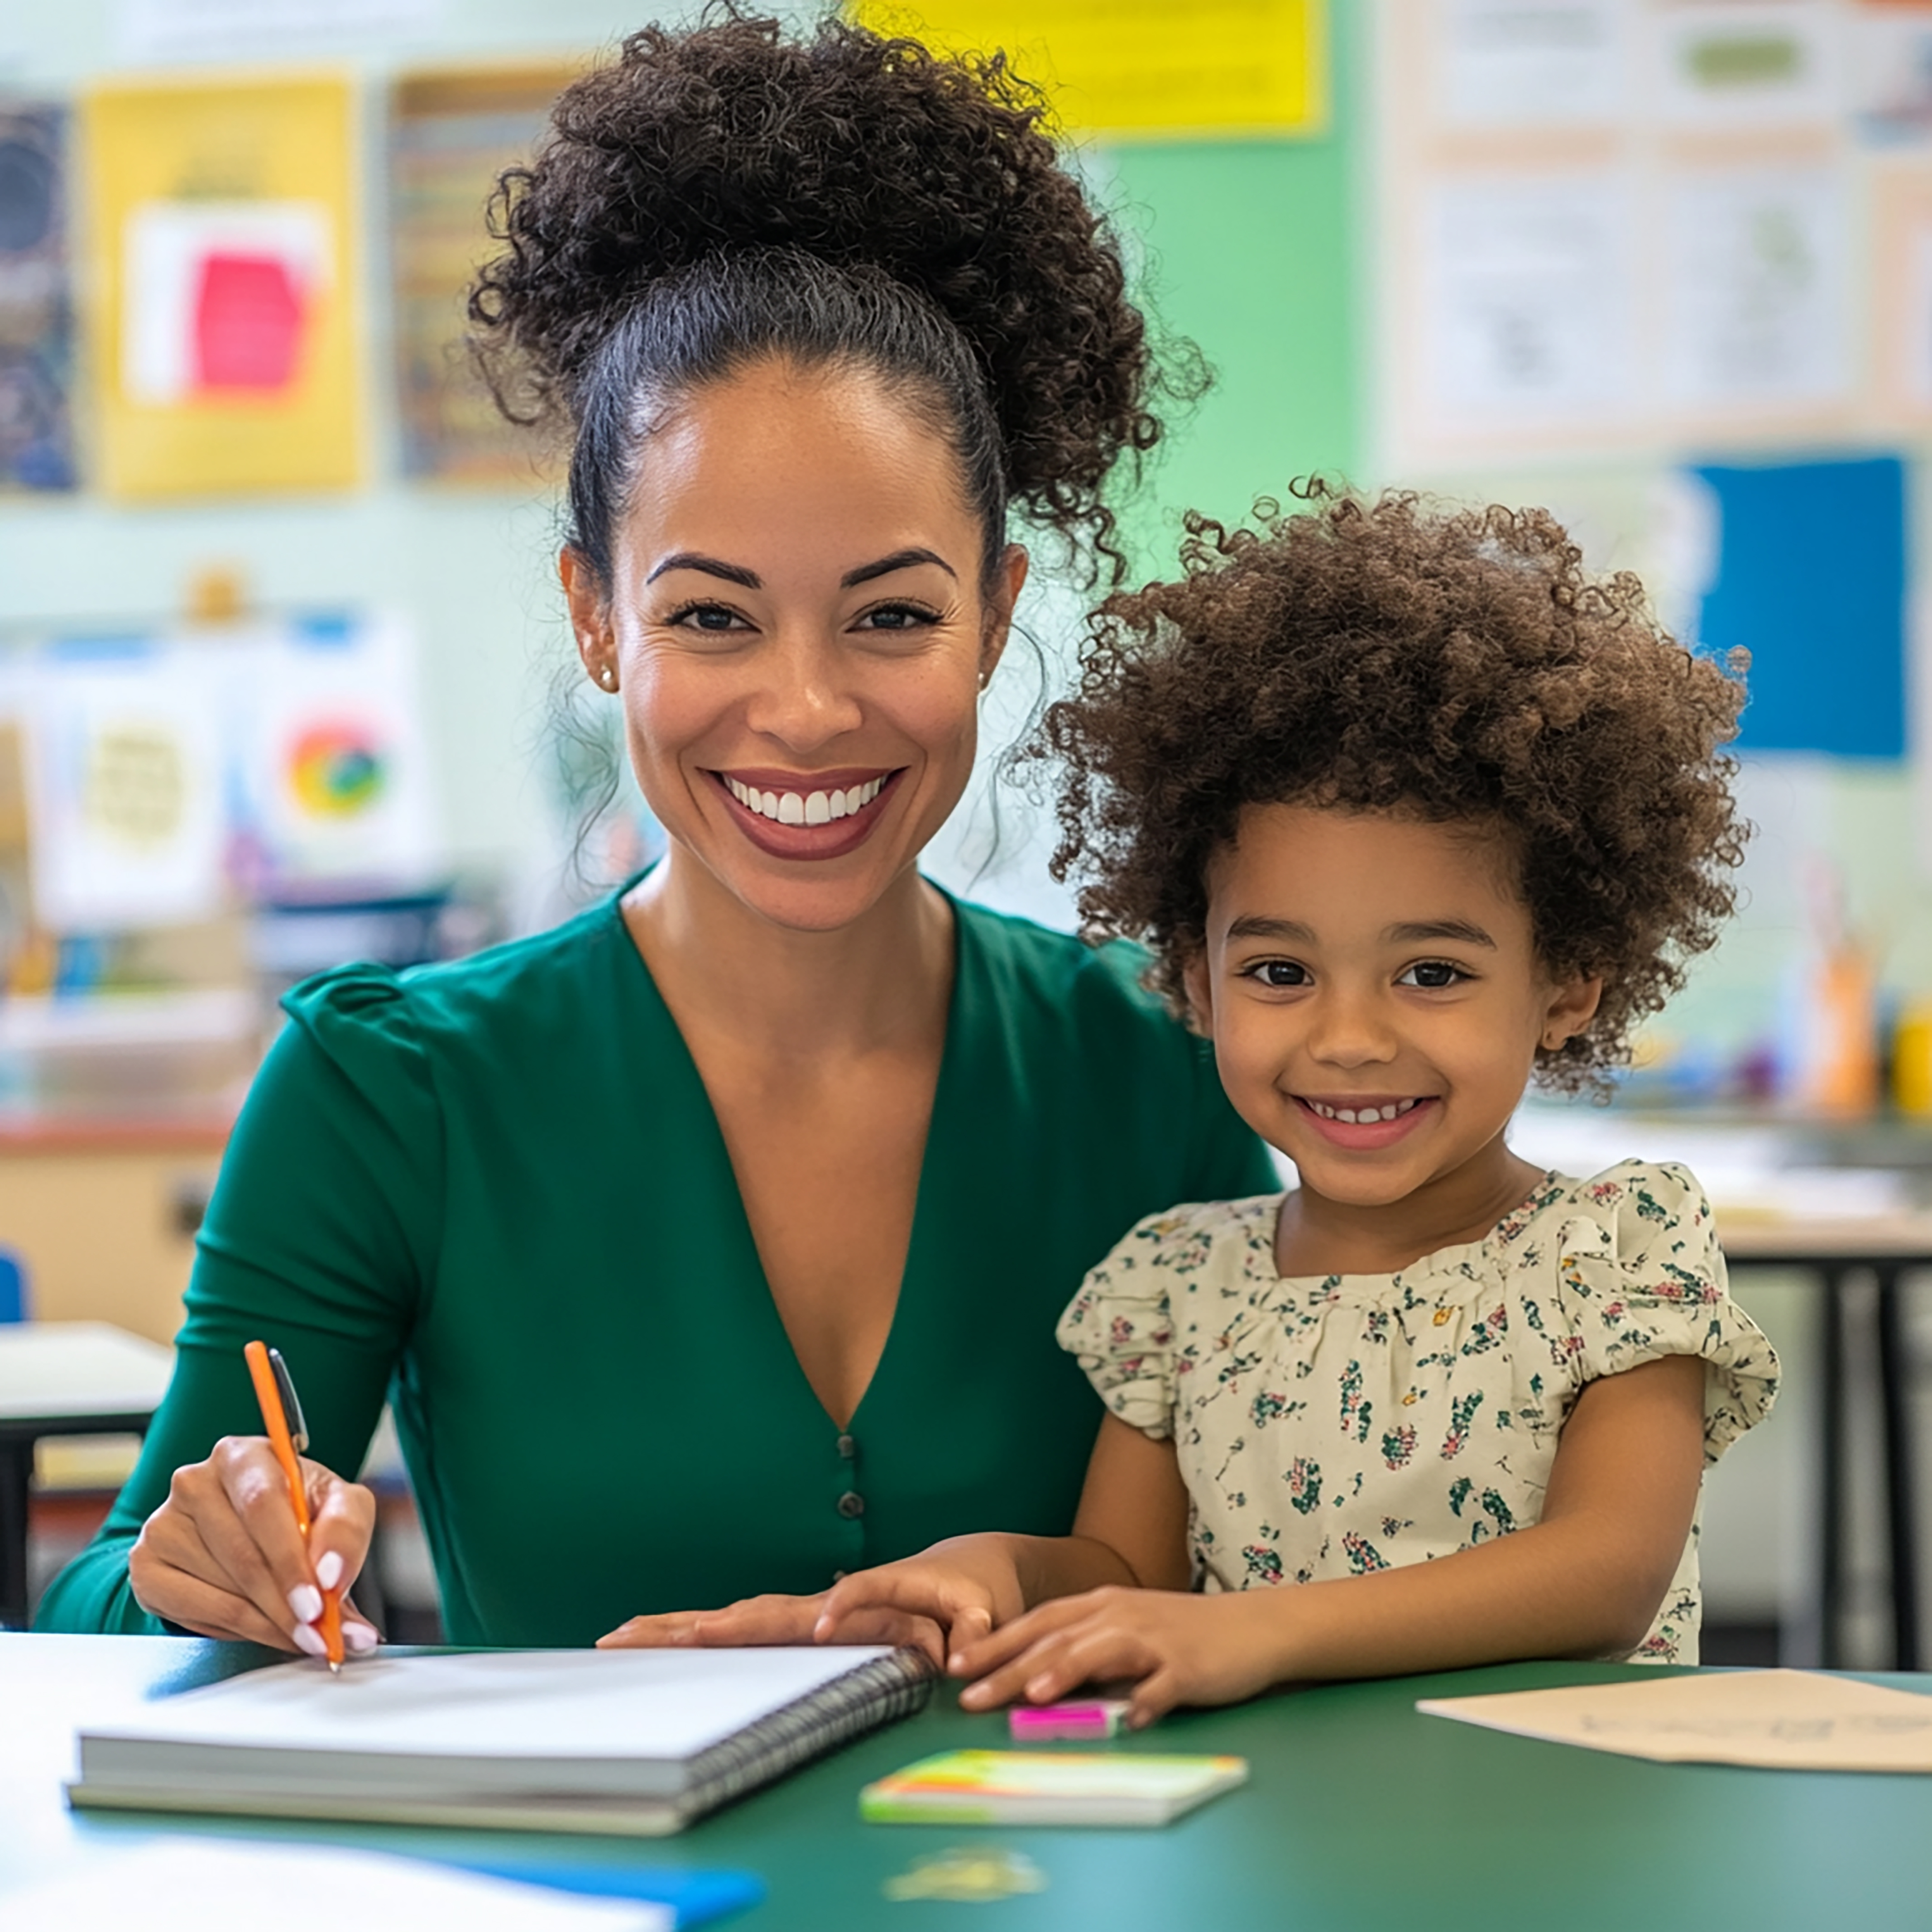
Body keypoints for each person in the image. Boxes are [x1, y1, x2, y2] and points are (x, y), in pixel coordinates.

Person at [34, 14, 1275, 1652]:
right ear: (598, 618)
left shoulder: (1160, 1060)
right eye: (713, 617)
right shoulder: (388, 1096)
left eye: (892, 615)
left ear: (993, 613)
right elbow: (93, 1617)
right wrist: (205, 1570)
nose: (808, 710)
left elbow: (1261, 1567)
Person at [804, 490, 1782, 1722]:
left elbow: (1603, 1574)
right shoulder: (1174, 1284)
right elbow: (1126, 1576)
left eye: (1431, 972)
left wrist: (1253, 1631)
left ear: (1566, 984)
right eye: (1279, 971)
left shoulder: (1614, 1252)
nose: (1350, 1038)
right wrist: (995, 1568)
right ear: (1194, 978)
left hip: (1564, 1844)